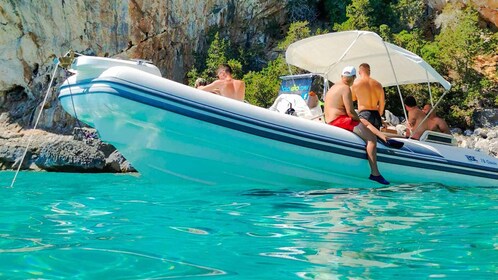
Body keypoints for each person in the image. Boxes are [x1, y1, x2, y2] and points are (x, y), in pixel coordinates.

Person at [324, 66, 393, 185]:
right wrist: (360, 121)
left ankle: (384, 138)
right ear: (353, 78)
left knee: (365, 122)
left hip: (330, 119)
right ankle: (375, 173)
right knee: (371, 139)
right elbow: (350, 112)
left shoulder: (334, 87)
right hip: (339, 120)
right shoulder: (346, 88)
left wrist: (361, 120)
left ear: (342, 76)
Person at [352, 63, 385, 130]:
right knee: (375, 138)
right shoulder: (378, 85)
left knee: (363, 138)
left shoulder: (356, 83)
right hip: (376, 115)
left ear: (359, 72)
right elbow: (382, 103)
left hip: (365, 114)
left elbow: (353, 98)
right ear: (369, 71)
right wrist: (379, 114)